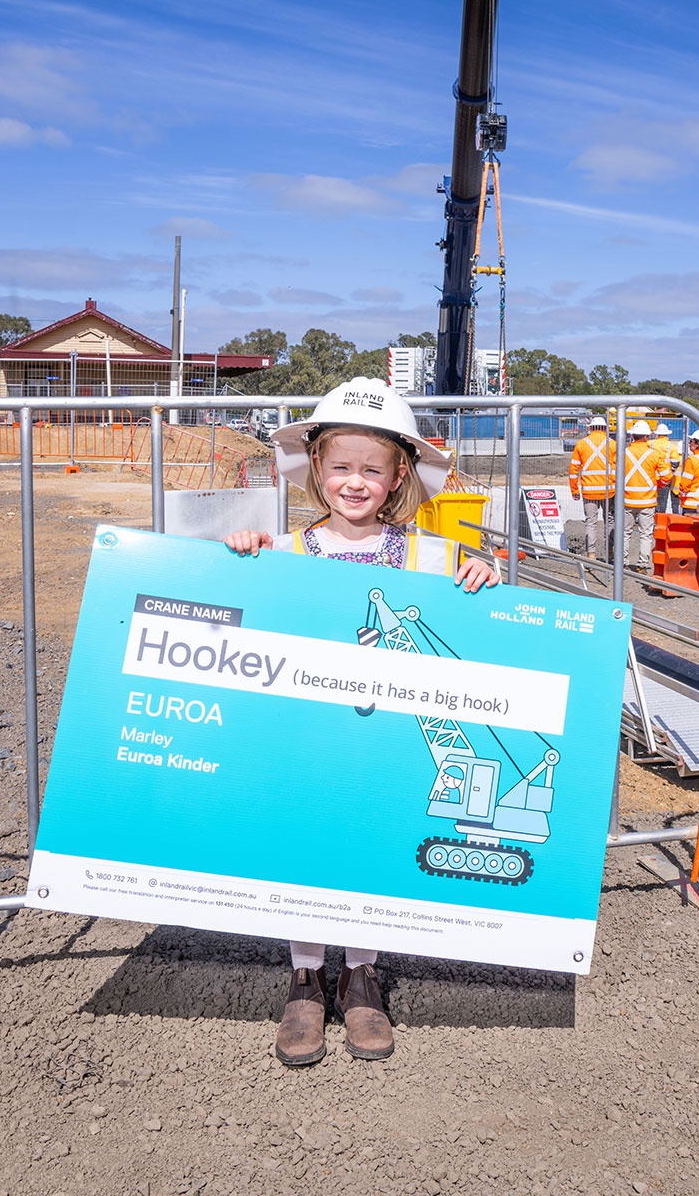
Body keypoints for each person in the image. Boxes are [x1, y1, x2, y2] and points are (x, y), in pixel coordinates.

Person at [224, 377, 499, 1069]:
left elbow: (473, 624)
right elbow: (241, 607)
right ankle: (306, 974)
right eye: (341, 466)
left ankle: (362, 971)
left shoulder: (429, 558)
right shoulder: (282, 553)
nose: (355, 482)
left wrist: (483, 575)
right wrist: (244, 554)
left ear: (398, 474)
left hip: (388, 743)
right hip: (308, 739)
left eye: (371, 470)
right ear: (316, 468)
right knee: (307, 842)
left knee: (373, 841)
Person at [569, 414, 615, 560]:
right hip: (609, 491)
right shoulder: (613, 444)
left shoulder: (582, 444)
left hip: (589, 491)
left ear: (591, 428)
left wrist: (575, 490)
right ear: (605, 429)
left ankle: (591, 554)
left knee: (591, 523)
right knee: (610, 521)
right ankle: (610, 551)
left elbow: (573, 470)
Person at [620, 421, 665, 574]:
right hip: (647, 500)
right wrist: (657, 486)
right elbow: (666, 475)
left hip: (627, 500)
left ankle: (623, 564)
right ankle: (643, 565)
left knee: (625, 533)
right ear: (647, 436)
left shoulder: (623, 453)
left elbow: (613, 474)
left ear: (632, 435)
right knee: (646, 534)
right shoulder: (654, 454)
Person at [651, 423, 675, 514]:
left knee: (652, 498)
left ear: (657, 434)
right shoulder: (671, 446)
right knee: (663, 499)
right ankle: (660, 519)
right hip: (665, 476)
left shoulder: (651, 443)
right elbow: (675, 462)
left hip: (652, 476)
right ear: (667, 434)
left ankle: (652, 517)